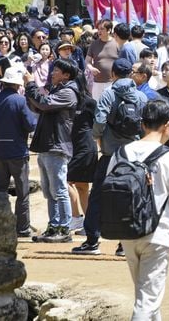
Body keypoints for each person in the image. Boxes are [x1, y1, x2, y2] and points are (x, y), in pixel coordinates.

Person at [113, 100, 169, 320]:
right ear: (167, 124)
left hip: (127, 233)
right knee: (147, 300)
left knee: (146, 296)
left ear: (143, 124)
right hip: (157, 235)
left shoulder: (120, 153)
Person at [74, 58, 147, 255]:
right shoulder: (140, 96)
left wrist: (97, 137)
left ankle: (92, 241)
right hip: (133, 154)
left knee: (98, 196)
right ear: (130, 74)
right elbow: (145, 124)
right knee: (131, 195)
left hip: (109, 154)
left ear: (113, 74)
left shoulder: (108, 94)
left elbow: (99, 120)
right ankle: (125, 244)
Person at [25, 59, 80, 243]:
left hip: (57, 145)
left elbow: (44, 104)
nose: (52, 73)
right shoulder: (58, 90)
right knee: (49, 191)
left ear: (66, 75)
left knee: (59, 189)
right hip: (48, 145)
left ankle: (64, 228)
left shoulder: (68, 93)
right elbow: (37, 105)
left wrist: (31, 84)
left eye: (56, 70)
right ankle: (54, 225)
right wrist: (30, 89)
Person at [0, 66, 37, 237]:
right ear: (17, 85)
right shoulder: (20, 101)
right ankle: (22, 229)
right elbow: (30, 125)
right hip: (17, 152)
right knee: (23, 193)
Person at [67, 74, 98, 236]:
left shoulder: (90, 102)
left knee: (65, 181)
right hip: (74, 147)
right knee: (82, 187)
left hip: (86, 146)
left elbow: (99, 123)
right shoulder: (67, 101)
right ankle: (89, 224)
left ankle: (76, 217)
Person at [86, 19, 120, 100]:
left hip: (113, 82)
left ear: (109, 30)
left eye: (102, 29)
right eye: (98, 29)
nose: (99, 31)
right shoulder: (94, 44)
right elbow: (87, 60)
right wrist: (91, 68)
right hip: (97, 83)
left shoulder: (117, 43)